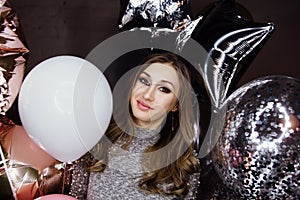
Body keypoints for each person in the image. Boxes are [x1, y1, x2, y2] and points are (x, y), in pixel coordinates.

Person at [68, 52, 201, 199]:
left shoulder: (183, 163)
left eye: (164, 89)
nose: (147, 95)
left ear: (176, 105)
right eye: (144, 81)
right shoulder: (98, 140)